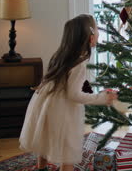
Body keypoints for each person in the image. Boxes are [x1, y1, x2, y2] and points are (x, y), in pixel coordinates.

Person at [19, 14, 118, 171]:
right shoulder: (80, 63)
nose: (98, 33)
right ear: (90, 37)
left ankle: (41, 167)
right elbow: (73, 94)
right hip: (62, 111)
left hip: (46, 103)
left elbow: (67, 85)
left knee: (44, 140)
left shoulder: (60, 56)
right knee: (68, 152)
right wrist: (102, 98)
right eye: (97, 29)